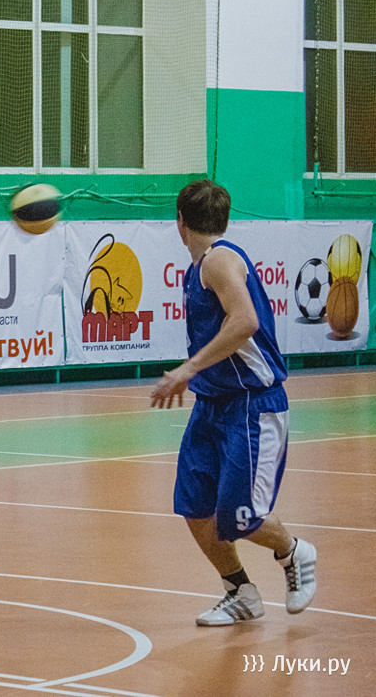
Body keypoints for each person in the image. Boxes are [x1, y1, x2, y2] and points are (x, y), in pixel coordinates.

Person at [151, 180, 317, 625]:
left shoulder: (218, 261)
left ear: (180, 222)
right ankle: (240, 591)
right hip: (212, 405)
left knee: (241, 517)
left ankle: (293, 551)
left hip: (251, 406)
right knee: (194, 506)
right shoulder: (200, 266)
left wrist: (187, 369)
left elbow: (245, 320)